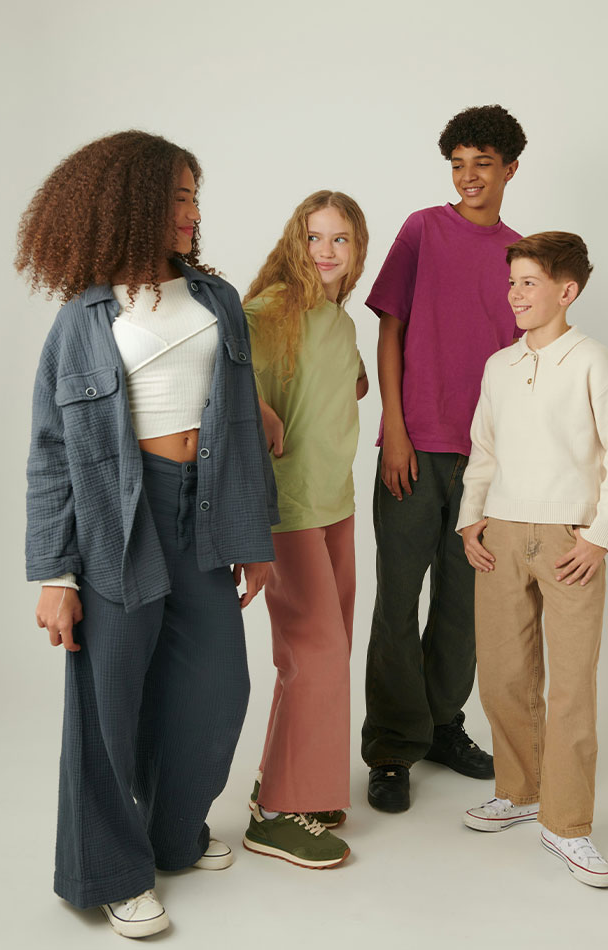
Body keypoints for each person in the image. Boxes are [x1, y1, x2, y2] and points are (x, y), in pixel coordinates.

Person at [17, 131, 278, 937]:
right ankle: (110, 872)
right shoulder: (83, 318)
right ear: (131, 206)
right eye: (176, 198)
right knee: (108, 701)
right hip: (119, 518)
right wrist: (55, 575)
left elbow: (240, 418)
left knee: (219, 689)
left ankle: (172, 835)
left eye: (195, 197)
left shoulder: (216, 300)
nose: (192, 213)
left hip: (206, 512)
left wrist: (252, 534)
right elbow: (50, 452)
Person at [458, 232, 608, 888]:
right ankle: (521, 790)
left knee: (570, 685)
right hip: (501, 534)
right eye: (512, 283)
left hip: (571, 541)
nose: (515, 294)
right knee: (501, 675)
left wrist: (598, 537)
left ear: (567, 291)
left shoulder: (592, 360)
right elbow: (484, 449)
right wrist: (470, 520)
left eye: (529, 283)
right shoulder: (499, 367)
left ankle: (567, 825)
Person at [362, 104, 527, 812]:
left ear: (510, 169)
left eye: (482, 164)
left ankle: (441, 726)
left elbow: (523, 362)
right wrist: (395, 430)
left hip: (487, 461)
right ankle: (392, 746)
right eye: (457, 165)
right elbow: (390, 331)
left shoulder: (522, 255)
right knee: (398, 601)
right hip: (415, 447)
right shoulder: (422, 229)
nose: (468, 177)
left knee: (465, 606)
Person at [241, 191, 369, 868]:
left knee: (324, 654)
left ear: (357, 249)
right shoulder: (268, 313)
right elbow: (220, 378)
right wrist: (256, 403)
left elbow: (345, 387)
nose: (326, 251)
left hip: (335, 506)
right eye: (315, 237)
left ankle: (291, 780)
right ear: (296, 241)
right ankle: (278, 813)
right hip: (287, 512)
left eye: (340, 239)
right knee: (315, 654)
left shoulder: (342, 323)